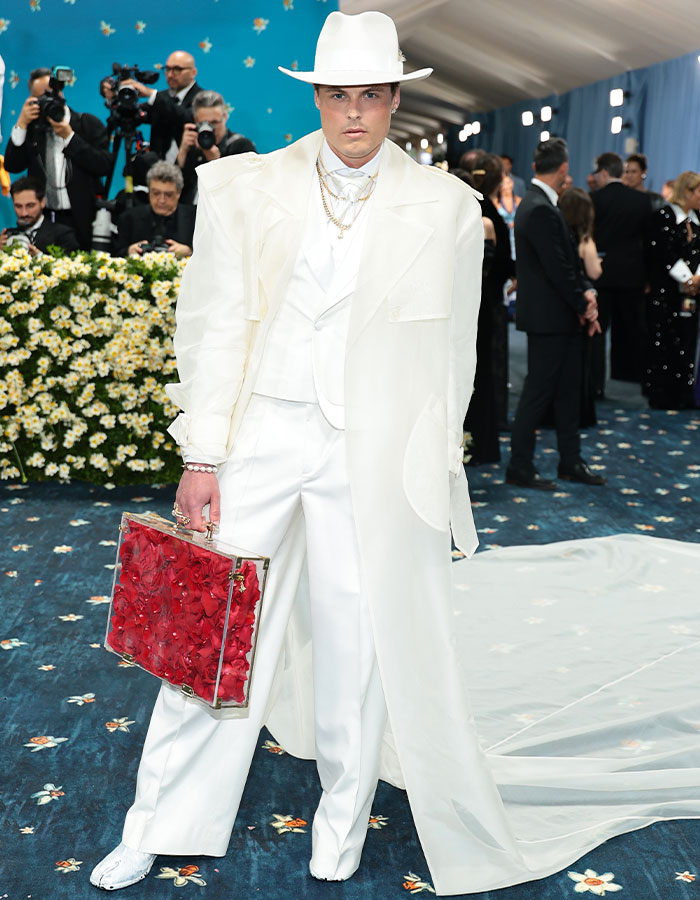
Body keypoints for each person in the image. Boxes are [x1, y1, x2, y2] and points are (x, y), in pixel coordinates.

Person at [90, 11, 493, 895]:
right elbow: (212, 326)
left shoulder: (448, 209)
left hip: (373, 450)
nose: (353, 114)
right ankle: (156, 822)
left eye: (370, 97)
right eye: (337, 96)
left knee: (357, 641)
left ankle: (341, 821)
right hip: (262, 437)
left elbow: (454, 356)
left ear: (394, 102)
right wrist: (202, 454)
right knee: (210, 631)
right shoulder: (245, 187)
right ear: (317, 97)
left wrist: (437, 468)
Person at [507, 138, 604, 490]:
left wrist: (585, 298)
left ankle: (570, 461)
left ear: (535, 167)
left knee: (566, 393)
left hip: (558, 318)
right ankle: (520, 465)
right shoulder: (540, 208)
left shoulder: (537, 204)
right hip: (551, 320)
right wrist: (585, 305)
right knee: (538, 394)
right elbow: (559, 269)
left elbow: (564, 267)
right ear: (563, 169)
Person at [4, 67, 111, 250]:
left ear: (60, 92)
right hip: (45, 221)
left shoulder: (86, 123)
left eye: (49, 95)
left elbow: (104, 165)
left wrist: (70, 137)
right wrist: (21, 124)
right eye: (38, 99)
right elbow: (12, 165)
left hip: (83, 217)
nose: (45, 102)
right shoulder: (33, 130)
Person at [463, 153, 515, 459]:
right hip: (486, 303)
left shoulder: (470, 206)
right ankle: (483, 436)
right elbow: (501, 263)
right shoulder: (491, 215)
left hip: (474, 300)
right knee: (486, 370)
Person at [591, 151, 652, 392]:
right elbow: (648, 243)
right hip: (632, 275)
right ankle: (633, 377)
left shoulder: (593, 198)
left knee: (597, 331)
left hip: (601, 275)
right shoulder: (641, 201)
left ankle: (595, 384)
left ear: (604, 173)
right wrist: (648, 277)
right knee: (633, 328)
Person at [644, 170, 700, 409]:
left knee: (688, 340)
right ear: (687, 192)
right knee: (663, 341)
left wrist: (697, 279)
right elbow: (662, 252)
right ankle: (662, 394)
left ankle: (684, 394)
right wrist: (687, 279)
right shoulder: (663, 216)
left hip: (693, 294)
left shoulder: (698, 218)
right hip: (666, 292)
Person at [558, 186, 603, 427]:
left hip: (564, 305)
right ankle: (581, 412)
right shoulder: (586, 241)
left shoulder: (559, 237)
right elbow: (595, 271)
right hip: (585, 303)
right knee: (581, 364)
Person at [176, 90, 256, 204]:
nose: (210, 128)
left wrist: (216, 162)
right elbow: (174, 189)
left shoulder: (241, 146)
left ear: (225, 117)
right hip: (190, 215)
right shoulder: (192, 144)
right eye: (205, 123)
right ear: (196, 120)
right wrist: (182, 152)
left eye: (215, 122)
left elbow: (249, 190)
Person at [121, 51, 204, 161]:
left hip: (191, 170)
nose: (170, 75)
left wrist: (151, 94)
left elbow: (186, 117)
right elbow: (135, 115)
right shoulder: (162, 98)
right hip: (158, 172)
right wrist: (121, 96)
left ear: (193, 72)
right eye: (167, 69)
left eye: (177, 69)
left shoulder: (204, 99)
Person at [112, 161, 195, 257]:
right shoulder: (129, 218)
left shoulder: (195, 218)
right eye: (156, 193)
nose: (162, 200)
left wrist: (190, 251)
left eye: (168, 195)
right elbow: (114, 254)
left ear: (179, 193)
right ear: (149, 190)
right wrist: (129, 251)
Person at [1, 175, 79, 254]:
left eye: (30, 205)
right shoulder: (7, 236)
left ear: (42, 202)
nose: (24, 213)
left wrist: (39, 257)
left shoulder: (63, 235)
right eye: (18, 206)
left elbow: (69, 264)